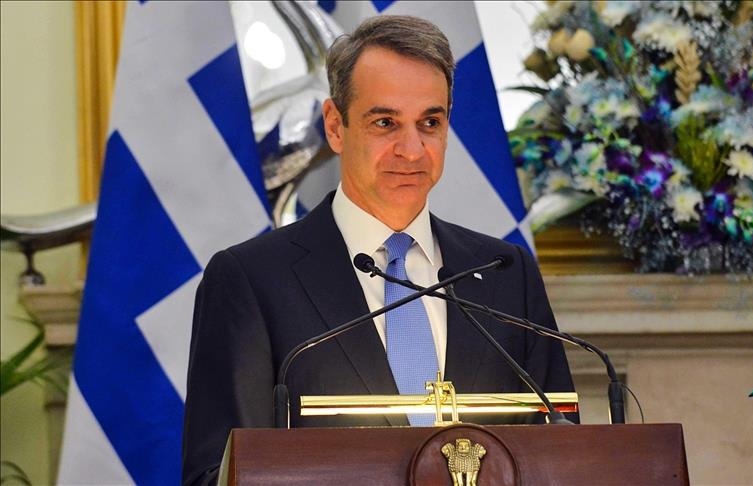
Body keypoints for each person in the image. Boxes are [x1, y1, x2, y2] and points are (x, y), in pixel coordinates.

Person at [182, 15, 575, 486]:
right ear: (335, 125)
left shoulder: (505, 273)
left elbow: (561, 458)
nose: (412, 150)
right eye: (385, 123)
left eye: (430, 122)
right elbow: (217, 474)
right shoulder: (250, 280)